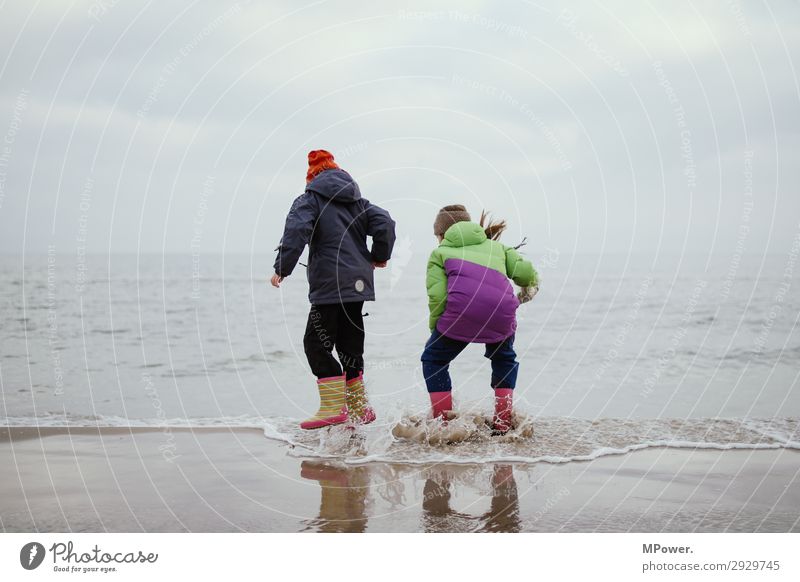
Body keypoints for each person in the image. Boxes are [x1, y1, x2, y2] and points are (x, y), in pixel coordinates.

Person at [271, 150, 396, 429]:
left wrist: (282, 266)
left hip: (329, 283)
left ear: (312, 177)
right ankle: (359, 407)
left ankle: (332, 407)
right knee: (349, 343)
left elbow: (296, 230)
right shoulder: (359, 202)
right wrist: (380, 256)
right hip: (358, 283)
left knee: (315, 343)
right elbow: (385, 222)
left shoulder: (310, 199)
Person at [421, 205, 538, 434]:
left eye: (437, 236)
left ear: (443, 234)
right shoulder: (498, 248)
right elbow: (527, 275)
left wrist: (437, 326)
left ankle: (443, 424)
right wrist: (528, 289)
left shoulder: (440, 253)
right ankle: (503, 422)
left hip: (460, 314)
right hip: (501, 313)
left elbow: (437, 296)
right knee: (504, 358)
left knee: (433, 359)